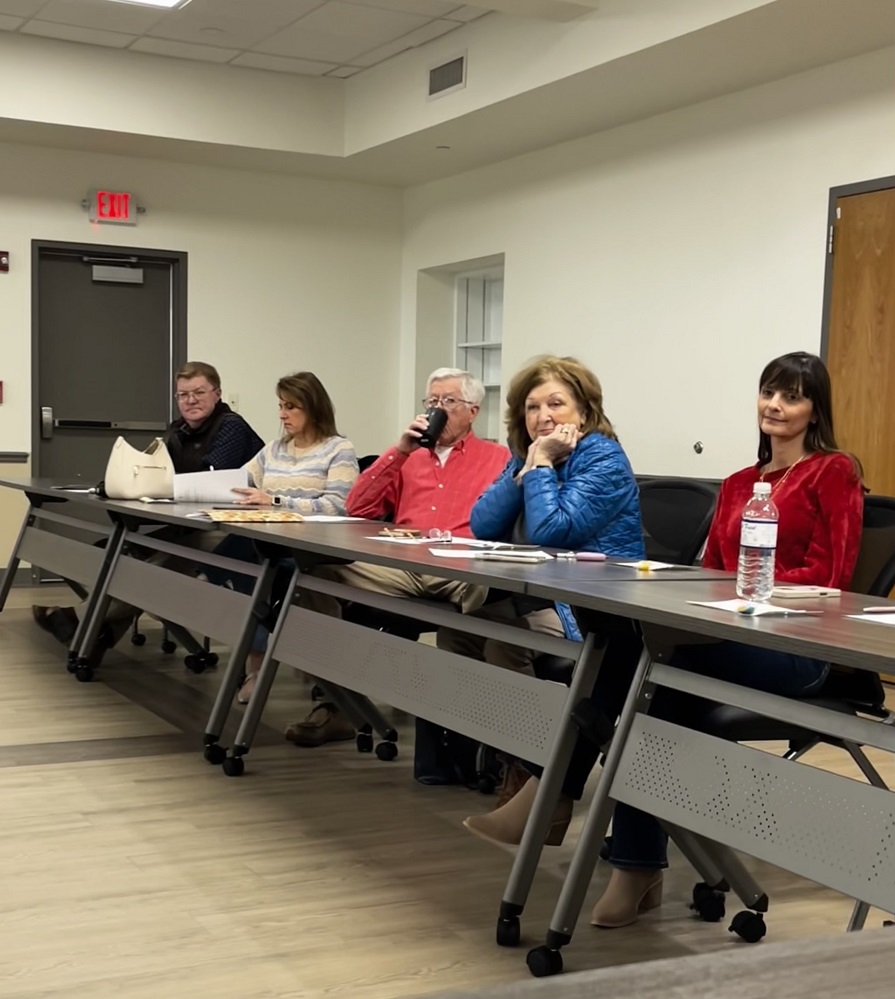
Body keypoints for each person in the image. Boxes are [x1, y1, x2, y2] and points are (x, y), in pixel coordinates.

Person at [590, 350, 864, 930]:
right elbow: (711, 570)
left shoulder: (833, 471)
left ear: (815, 410)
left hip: (797, 649)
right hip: (723, 638)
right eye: (769, 392)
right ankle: (638, 865)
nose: (776, 405)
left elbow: (833, 580)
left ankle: (573, 791)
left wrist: (754, 585)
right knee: (653, 694)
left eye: (792, 395)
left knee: (640, 671)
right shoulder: (740, 482)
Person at [441, 355, 644, 845]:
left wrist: (542, 466)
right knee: (459, 631)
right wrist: (532, 462)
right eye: (532, 407)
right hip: (539, 596)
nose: (543, 417)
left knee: (505, 640)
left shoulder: (603, 459)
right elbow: (484, 523)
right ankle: (520, 767)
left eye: (556, 403)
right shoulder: (528, 454)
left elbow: (556, 530)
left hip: (593, 609)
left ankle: (533, 775)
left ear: (585, 410)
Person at [285, 367, 510, 747]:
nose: (438, 409)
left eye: (449, 401)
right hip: (402, 567)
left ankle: (473, 726)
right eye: (432, 402)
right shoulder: (410, 457)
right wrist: (400, 451)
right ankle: (338, 698)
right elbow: (357, 507)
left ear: (472, 411)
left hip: (459, 568)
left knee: (488, 596)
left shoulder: (498, 457)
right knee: (315, 575)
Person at [32, 361, 263, 655]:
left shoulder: (231, 426)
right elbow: (157, 470)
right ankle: (99, 633)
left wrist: (164, 484)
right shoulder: (177, 430)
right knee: (129, 552)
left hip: (235, 531)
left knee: (159, 565)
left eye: (199, 392)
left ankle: (79, 619)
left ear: (217, 394)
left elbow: (210, 479)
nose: (190, 401)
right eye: (183, 395)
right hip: (192, 523)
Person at [218, 371, 359, 704]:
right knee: (243, 555)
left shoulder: (338, 450)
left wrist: (277, 501)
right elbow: (238, 482)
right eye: (281, 406)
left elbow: (338, 506)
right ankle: (256, 666)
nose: (282, 414)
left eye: (291, 407)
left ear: (313, 408)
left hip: (312, 547)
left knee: (247, 559)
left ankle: (257, 668)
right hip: (271, 543)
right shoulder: (274, 450)